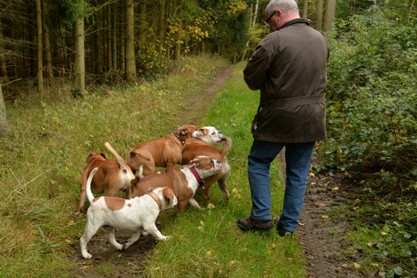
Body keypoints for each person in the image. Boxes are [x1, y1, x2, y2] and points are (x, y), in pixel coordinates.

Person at [237, 0, 329, 236]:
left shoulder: (273, 41)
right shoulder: (320, 39)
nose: (270, 27)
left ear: (277, 15)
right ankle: (287, 227)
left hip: (279, 116)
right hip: (312, 117)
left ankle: (261, 217)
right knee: (298, 171)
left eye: (269, 22)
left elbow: (251, 80)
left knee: (258, 162)